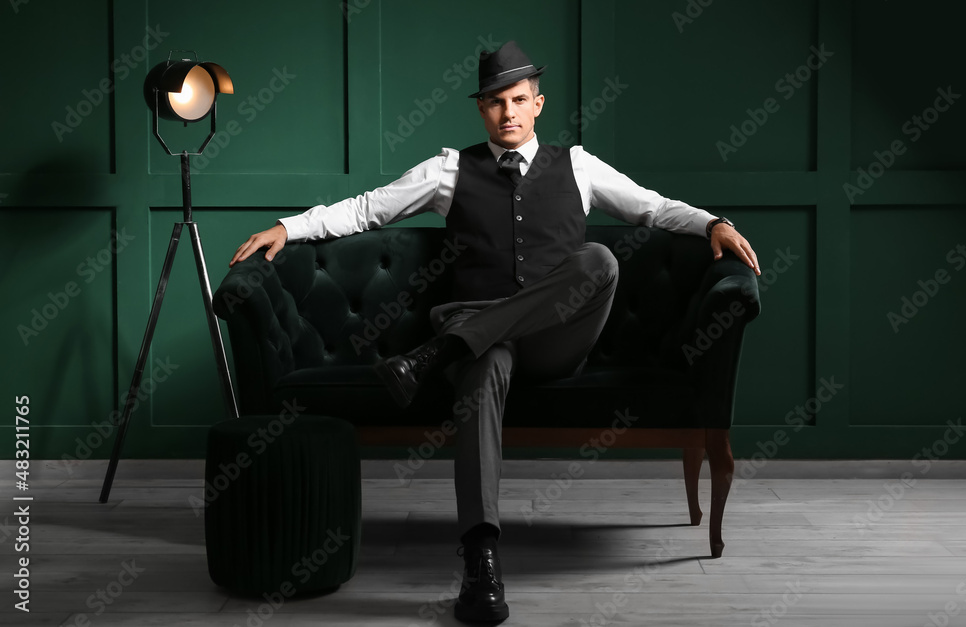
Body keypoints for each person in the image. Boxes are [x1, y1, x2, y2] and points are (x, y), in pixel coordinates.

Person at [230, 41, 759, 624]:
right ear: (480, 110)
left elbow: (653, 209)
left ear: (537, 104)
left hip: (553, 342)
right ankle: (480, 559)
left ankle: (435, 354)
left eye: (516, 100)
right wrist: (289, 226)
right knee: (482, 368)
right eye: (493, 103)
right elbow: (366, 210)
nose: (506, 113)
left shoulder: (578, 166)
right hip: (479, 335)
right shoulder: (447, 171)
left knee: (599, 262)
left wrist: (714, 222)